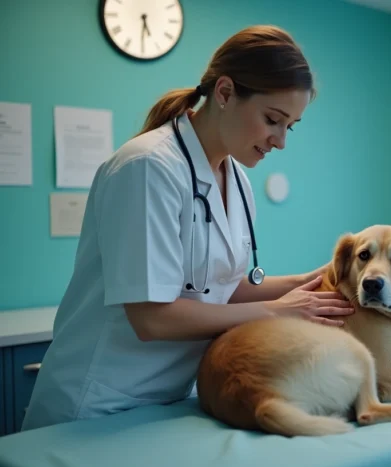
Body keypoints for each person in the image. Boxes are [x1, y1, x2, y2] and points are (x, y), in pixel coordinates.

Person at [21, 25, 354, 432]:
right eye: (273, 120)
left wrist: (312, 281)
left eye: (291, 126)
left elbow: (219, 289)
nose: (280, 141)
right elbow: (152, 318)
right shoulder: (147, 168)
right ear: (226, 93)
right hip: (98, 402)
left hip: (169, 401)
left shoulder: (236, 176)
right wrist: (277, 311)